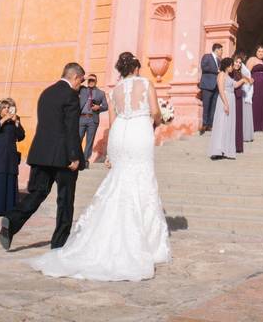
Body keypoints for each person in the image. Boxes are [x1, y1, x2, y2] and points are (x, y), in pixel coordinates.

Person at [30, 52, 170, 281]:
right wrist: (160, 120)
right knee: (143, 178)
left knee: (120, 179)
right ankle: (147, 243)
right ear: (136, 68)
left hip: (121, 135)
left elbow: (113, 122)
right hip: (140, 133)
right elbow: (155, 112)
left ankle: (107, 234)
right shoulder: (146, 83)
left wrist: (110, 153)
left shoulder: (114, 90)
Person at [0, 62, 85, 251]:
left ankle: (12, 220)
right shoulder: (71, 95)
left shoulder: (46, 93)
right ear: (75, 77)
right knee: (65, 199)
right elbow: (71, 127)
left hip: (40, 153)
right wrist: (74, 156)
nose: (82, 84)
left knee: (36, 193)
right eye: (82, 80)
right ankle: (59, 243)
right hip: (63, 156)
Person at [209, 58, 242, 160]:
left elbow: (235, 85)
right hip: (224, 100)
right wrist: (226, 104)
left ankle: (226, 149)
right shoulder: (221, 74)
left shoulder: (228, 76)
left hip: (231, 99)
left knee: (228, 125)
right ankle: (217, 150)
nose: (233, 67)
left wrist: (244, 80)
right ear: (228, 66)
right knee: (221, 123)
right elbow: (221, 90)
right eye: (232, 65)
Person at [78, 74, 108, 169]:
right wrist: (84, 78)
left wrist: (99, 107)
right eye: (90, 80)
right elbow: (75, 83)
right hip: (81, 118)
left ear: (96, 81)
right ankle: (76, 159)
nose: (91, 82)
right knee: (77, 139)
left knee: (89, 141)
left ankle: (85, 160)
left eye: (93, 80)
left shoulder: (101, 93)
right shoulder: (82, 89)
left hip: (93, 119)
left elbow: (106, 106)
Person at [198, 43, 223, 135]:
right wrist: (216, 70)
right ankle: (204, 124)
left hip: (216, 86)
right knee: (206, 105)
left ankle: (210, 124)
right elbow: (204, 67)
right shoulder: (207, 57)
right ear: (216, 50)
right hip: (207, 85)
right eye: (221, 50)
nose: (221, 52)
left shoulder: (219, 61)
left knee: (213, 106)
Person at [247, 46, 263, 132]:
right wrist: (248, 81)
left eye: (262, 51)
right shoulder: (252, 59)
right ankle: (255, 125)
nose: (261, 53)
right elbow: (246, 73)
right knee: (256, 103)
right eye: (259, 51)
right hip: (256, 84)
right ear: (256, 52)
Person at [235, 52, 254, 144]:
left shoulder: (240, 72)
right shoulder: (231, 72)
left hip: (240, 94)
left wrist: (248, 81)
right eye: (237, 62)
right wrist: (244, 80)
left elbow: (245, 79)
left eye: (240, 62)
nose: (238, 64)